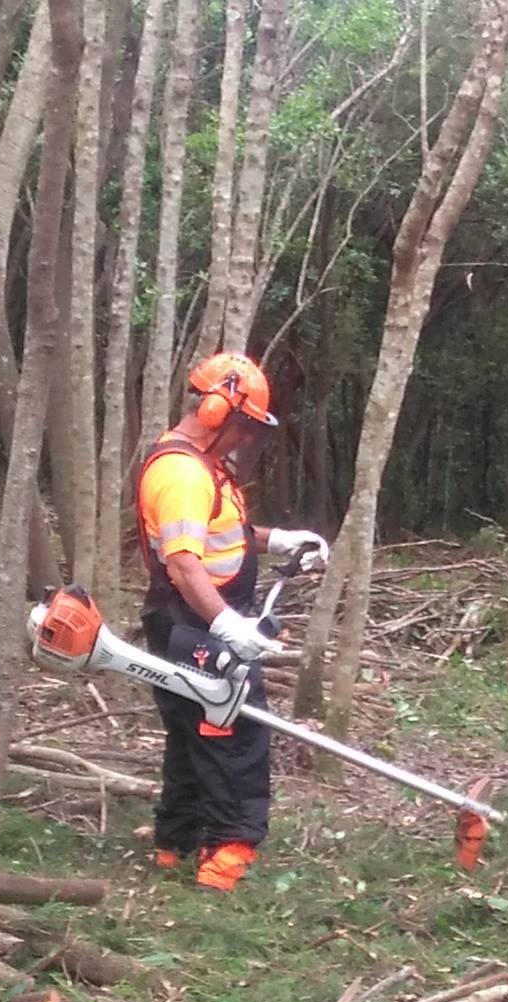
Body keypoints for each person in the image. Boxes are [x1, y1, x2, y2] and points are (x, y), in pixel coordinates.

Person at [136, 353, 329, 891]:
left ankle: (176, 844)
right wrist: (224, 623)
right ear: (220, 409)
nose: (246, 437)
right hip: (196, 623)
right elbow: (182, 561)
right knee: (234, 734)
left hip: (193, 620)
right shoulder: (181, 474)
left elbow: (220, 533)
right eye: (244, 424)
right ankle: (227, 856)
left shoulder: (200, 467)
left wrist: (278, 540)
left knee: (192, 735)